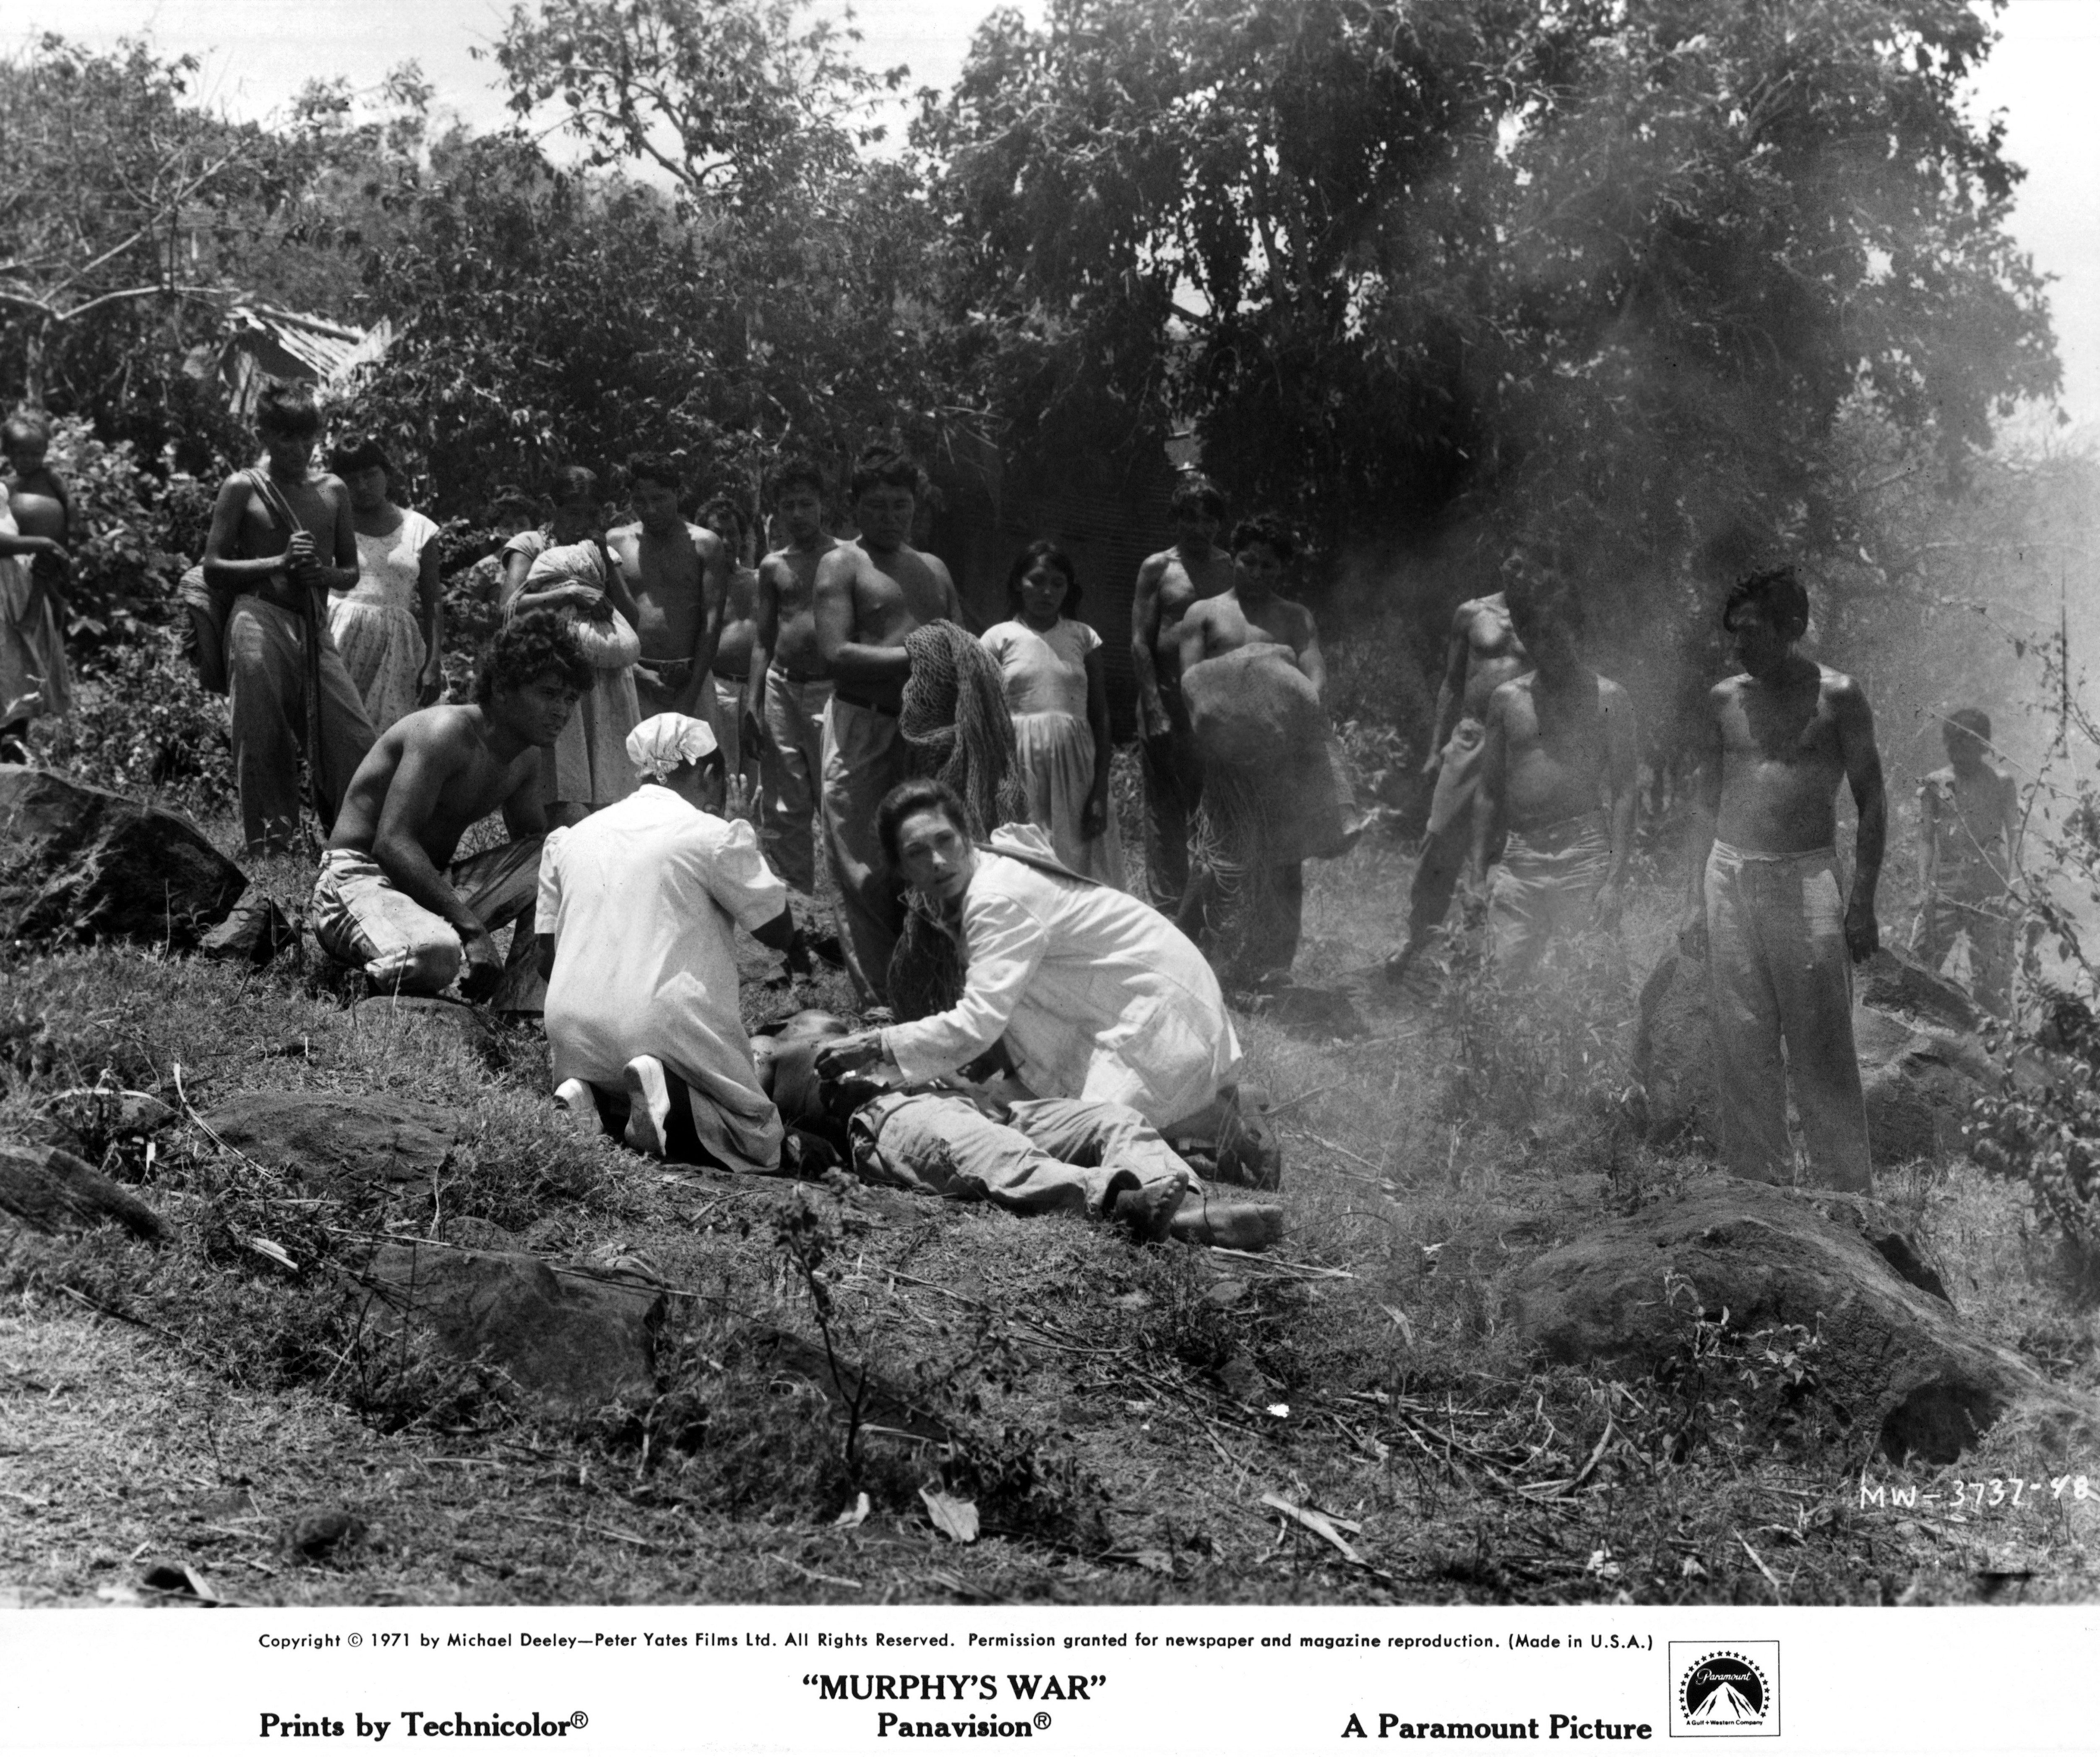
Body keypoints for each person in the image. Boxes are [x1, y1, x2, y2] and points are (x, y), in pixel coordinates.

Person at [815, 779, 1243, 1136]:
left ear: (965, 836)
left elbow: (978, 1020)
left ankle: (1213, 1124)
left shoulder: (995, 896)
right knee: (1005, 1106)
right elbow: (1017, 989)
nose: (938, 861)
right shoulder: (983, 880)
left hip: (1163, 1015)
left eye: (944, 840)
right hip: (1139, 1001)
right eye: (917, 853)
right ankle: (1202, 1108)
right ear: (902, 870)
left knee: (1067, 1136)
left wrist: (879, 1043)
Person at [1681, 565, 1886, 1192]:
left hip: (1806, 879)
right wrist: (1692, 900)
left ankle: (1849, 1200)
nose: (1737, 645)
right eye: (1732, 634)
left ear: (1791, 627)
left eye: (1750, 631)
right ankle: (1758, 1192)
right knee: (1741, 1038)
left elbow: (1872, 799)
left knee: (1821, 1044)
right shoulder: (1724, 699)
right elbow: (1703, 802)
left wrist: (1861, 903)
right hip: (1729, 874)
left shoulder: (1838, 696)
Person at [536, 713, 806, 1169]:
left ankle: (590, 1096)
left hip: (571, 1030)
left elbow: (546, 957)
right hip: (657, 1025)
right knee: (758, 1136)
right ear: (708, 774)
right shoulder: (710, 835)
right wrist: (742, 835)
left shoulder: (572, 838)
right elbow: (776, 929)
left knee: (618, 1091)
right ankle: (668, 1092)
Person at [760, 1016, 1280, 1247]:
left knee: (1111, 1118)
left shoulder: (833, 1022)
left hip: (969, 1098)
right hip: (887, 1116)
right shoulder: (764, 1053)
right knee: (990, 1152)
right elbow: (742, 1113)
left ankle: (1191, 1207)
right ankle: (1115, 1203)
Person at [310, 610, 589, 1002]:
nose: (561, 710)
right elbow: (390, 843)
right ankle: (358, 979)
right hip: (357, 880)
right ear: (503, 689)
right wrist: (472, 930)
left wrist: (587, 826)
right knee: (438, 954)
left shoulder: (525, 759)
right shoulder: (444, 733)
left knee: (559, 851)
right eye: (547, 694)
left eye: (569, 698)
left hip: (426, 887)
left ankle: (520, 1005)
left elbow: (536, 854)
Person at [812, 444, 964, 1001]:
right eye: (876, 506)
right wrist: (920, 654)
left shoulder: (933, 569)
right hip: (861, 726)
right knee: (863, 869)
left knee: (925, 859)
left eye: (900, 505)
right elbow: (836, 653)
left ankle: (928, 985)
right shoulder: (842, 563)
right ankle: (878, 999)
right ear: (854, 507)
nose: (889, 517)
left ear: (915, 507)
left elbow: (961, 648)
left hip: (925, 734)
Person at [202, 380, 376, 855]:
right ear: (262, 433)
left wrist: (320, 572)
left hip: (313, 621)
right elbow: (213, 567)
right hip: (257, 619)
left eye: (307, 439)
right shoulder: (243, 487)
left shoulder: (333, 490)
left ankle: (356, 839)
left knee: (352, 734)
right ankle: (272, 847)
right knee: (262, 736)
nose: (299, 450)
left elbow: (349, 572)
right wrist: (277, 563)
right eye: (285, 439)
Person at [1177, 513, 1326, 979]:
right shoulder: (1203, 614)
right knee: (1215, 859)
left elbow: (1314, 677)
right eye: (1248, 561)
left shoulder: (1294, 617)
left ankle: (1274, 965)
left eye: (1268, 566)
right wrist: (1216, 738)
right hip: (1223, 756)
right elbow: (1191, 682)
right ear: (1233, 559)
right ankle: (1183, 954)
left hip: (1280, 758)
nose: (1257, 573)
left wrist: (1294, 726)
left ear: (1280, 569)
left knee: (1284, 861)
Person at [1471, 566, 1639, 981]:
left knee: (1591, 978)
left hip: (1582, 851)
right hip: (1519, 856)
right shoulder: (1507, 700)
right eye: (1537, 636)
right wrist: (1477, 876)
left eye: (1558, 635)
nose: (1548, 647)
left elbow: (1625, 790)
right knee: (1500, 980)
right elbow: (1488, 792)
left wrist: (1614, 882)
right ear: (1526, 637)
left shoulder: (1610, 699)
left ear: (1577, 632)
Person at [1382, 569, 1530, 984]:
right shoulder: (1471, 613)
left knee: (1503, 852)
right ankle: (1415, 939)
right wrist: (1435, 748)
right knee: (1440, 837)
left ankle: (1477, 955)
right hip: (1472, 735)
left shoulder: (1546, 616)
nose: (1523, 570)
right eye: (1516, 560)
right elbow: (1451, 681)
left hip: (1521, 742)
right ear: (1505, 561)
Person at [503, 467, 644, 825]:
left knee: (609, 793)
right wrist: (569, 593)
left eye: (590, 514)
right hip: (552, 678)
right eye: (572, 512)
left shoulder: (600, 551)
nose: (581, 522)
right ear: (553, 506)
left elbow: (632, 616)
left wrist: (603, 560)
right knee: (560, 792)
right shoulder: (530, 545)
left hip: (603, 683)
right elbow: (508, 608)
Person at [982, 540, 1125, 887]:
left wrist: (1100, 791)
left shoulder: (1083, 637)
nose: (1047, 592)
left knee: (1080, 859)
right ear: (1019, 583)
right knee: (1026, 856)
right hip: (1018, 762)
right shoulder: (998, 638)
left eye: (1057, 584)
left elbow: (1100, 715)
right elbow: (983, 714)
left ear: (1068, 589)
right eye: (1037, 580)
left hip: (1077, 765)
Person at [1130, 476, 1234, 911]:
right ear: (1175, 520)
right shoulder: (1158, 568)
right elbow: (1140, 641)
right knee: (1165, 813)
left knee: (1216, 809)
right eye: (1189, 517)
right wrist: (1153, 707)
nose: (1199, 527)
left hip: (1214, 710)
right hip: (1166, 704)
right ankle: (1167, 910)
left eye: (1208, 518)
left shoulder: (1230, 567)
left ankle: (1210, 910)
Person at [752, 457, 838, 895]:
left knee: (837, 796)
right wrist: (753, 703)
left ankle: (850, 908)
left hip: (832, 689)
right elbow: (762, 640)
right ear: (777, 511)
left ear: (822, 505)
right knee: (784, 805)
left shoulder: (845, 557)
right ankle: (796, 909)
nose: (799, 514)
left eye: (807, 504)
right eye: (789, 506)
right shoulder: (773, 566)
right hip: (782, 686)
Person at [325, 434, 443, 734]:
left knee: (391, 739)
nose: (363, 486)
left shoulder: (420, 529)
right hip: (339, 640)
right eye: (352, 479)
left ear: (387, 473)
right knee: (338, 737)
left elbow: (434, 602)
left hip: (396, 650)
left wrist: (433, 662)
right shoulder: (333, 524)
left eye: (370, 474)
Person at [1912, 707, 2021, 1015]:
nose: (1961, 752)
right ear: (1947, 744)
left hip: (1991, 883)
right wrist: (1923, 888)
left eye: (1969, 745)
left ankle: (1995, 1050)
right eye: (1954, 744)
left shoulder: (2002, 782)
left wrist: (2013, 885)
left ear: (1984, 745)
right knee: (1921, 964)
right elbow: (1925, 838)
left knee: (1994, 979)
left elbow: (2015, 833)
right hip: (1947, 881)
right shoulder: (1936, 783)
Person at [607, 454, 729, 719]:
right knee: (634, 760)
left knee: (692, 760)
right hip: (633, 678)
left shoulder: (705, 544)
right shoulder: (616, 541)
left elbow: (712, 623)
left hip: (689, 680)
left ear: (677, 493)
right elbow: (608, 616)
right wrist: (640, 676)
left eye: (660, 499)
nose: (650, 509)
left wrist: (691, 695)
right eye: (641, 501)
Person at [0, 414, 73, 760]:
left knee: (26, 659)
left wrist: (60, 558)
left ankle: (16, 742)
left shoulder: (51, 480)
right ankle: (9, 741)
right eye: (21, 453)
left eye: (35, 453)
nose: (28, 460)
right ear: (9, 453)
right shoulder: (7, 486)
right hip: (15, 575)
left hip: (36, 573)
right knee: (11, 659)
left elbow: (70, 513)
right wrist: (45, 543)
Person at [698, 494, 764, 810]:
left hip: (754, 689)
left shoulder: (757, 580)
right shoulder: (699, 582)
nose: (726, 541)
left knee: (754, 779)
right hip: (717, 687)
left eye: (733, 533)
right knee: (719, 775)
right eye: (717, 533)